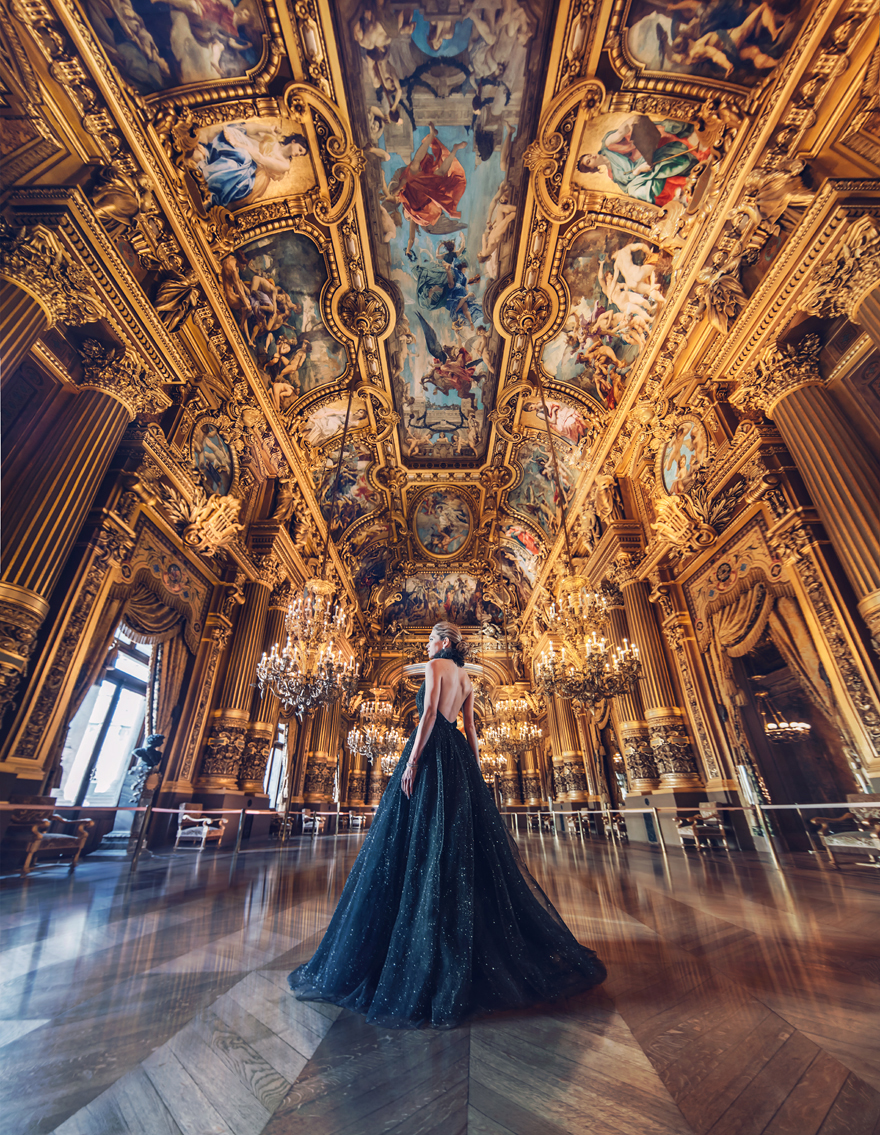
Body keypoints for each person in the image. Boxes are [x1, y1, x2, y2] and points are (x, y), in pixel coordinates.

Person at [288, 622, 606, 1029]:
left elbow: (426, 720)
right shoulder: (468, 677)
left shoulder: (436, 666)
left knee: (418, 834)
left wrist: (414, 761)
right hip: (457, 756)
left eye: (431, 640)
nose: (428, 645)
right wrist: (474, 769)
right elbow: (471, 729)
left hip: (434, 750)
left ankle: (419, 930)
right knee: (456, 838)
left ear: (444, 642)